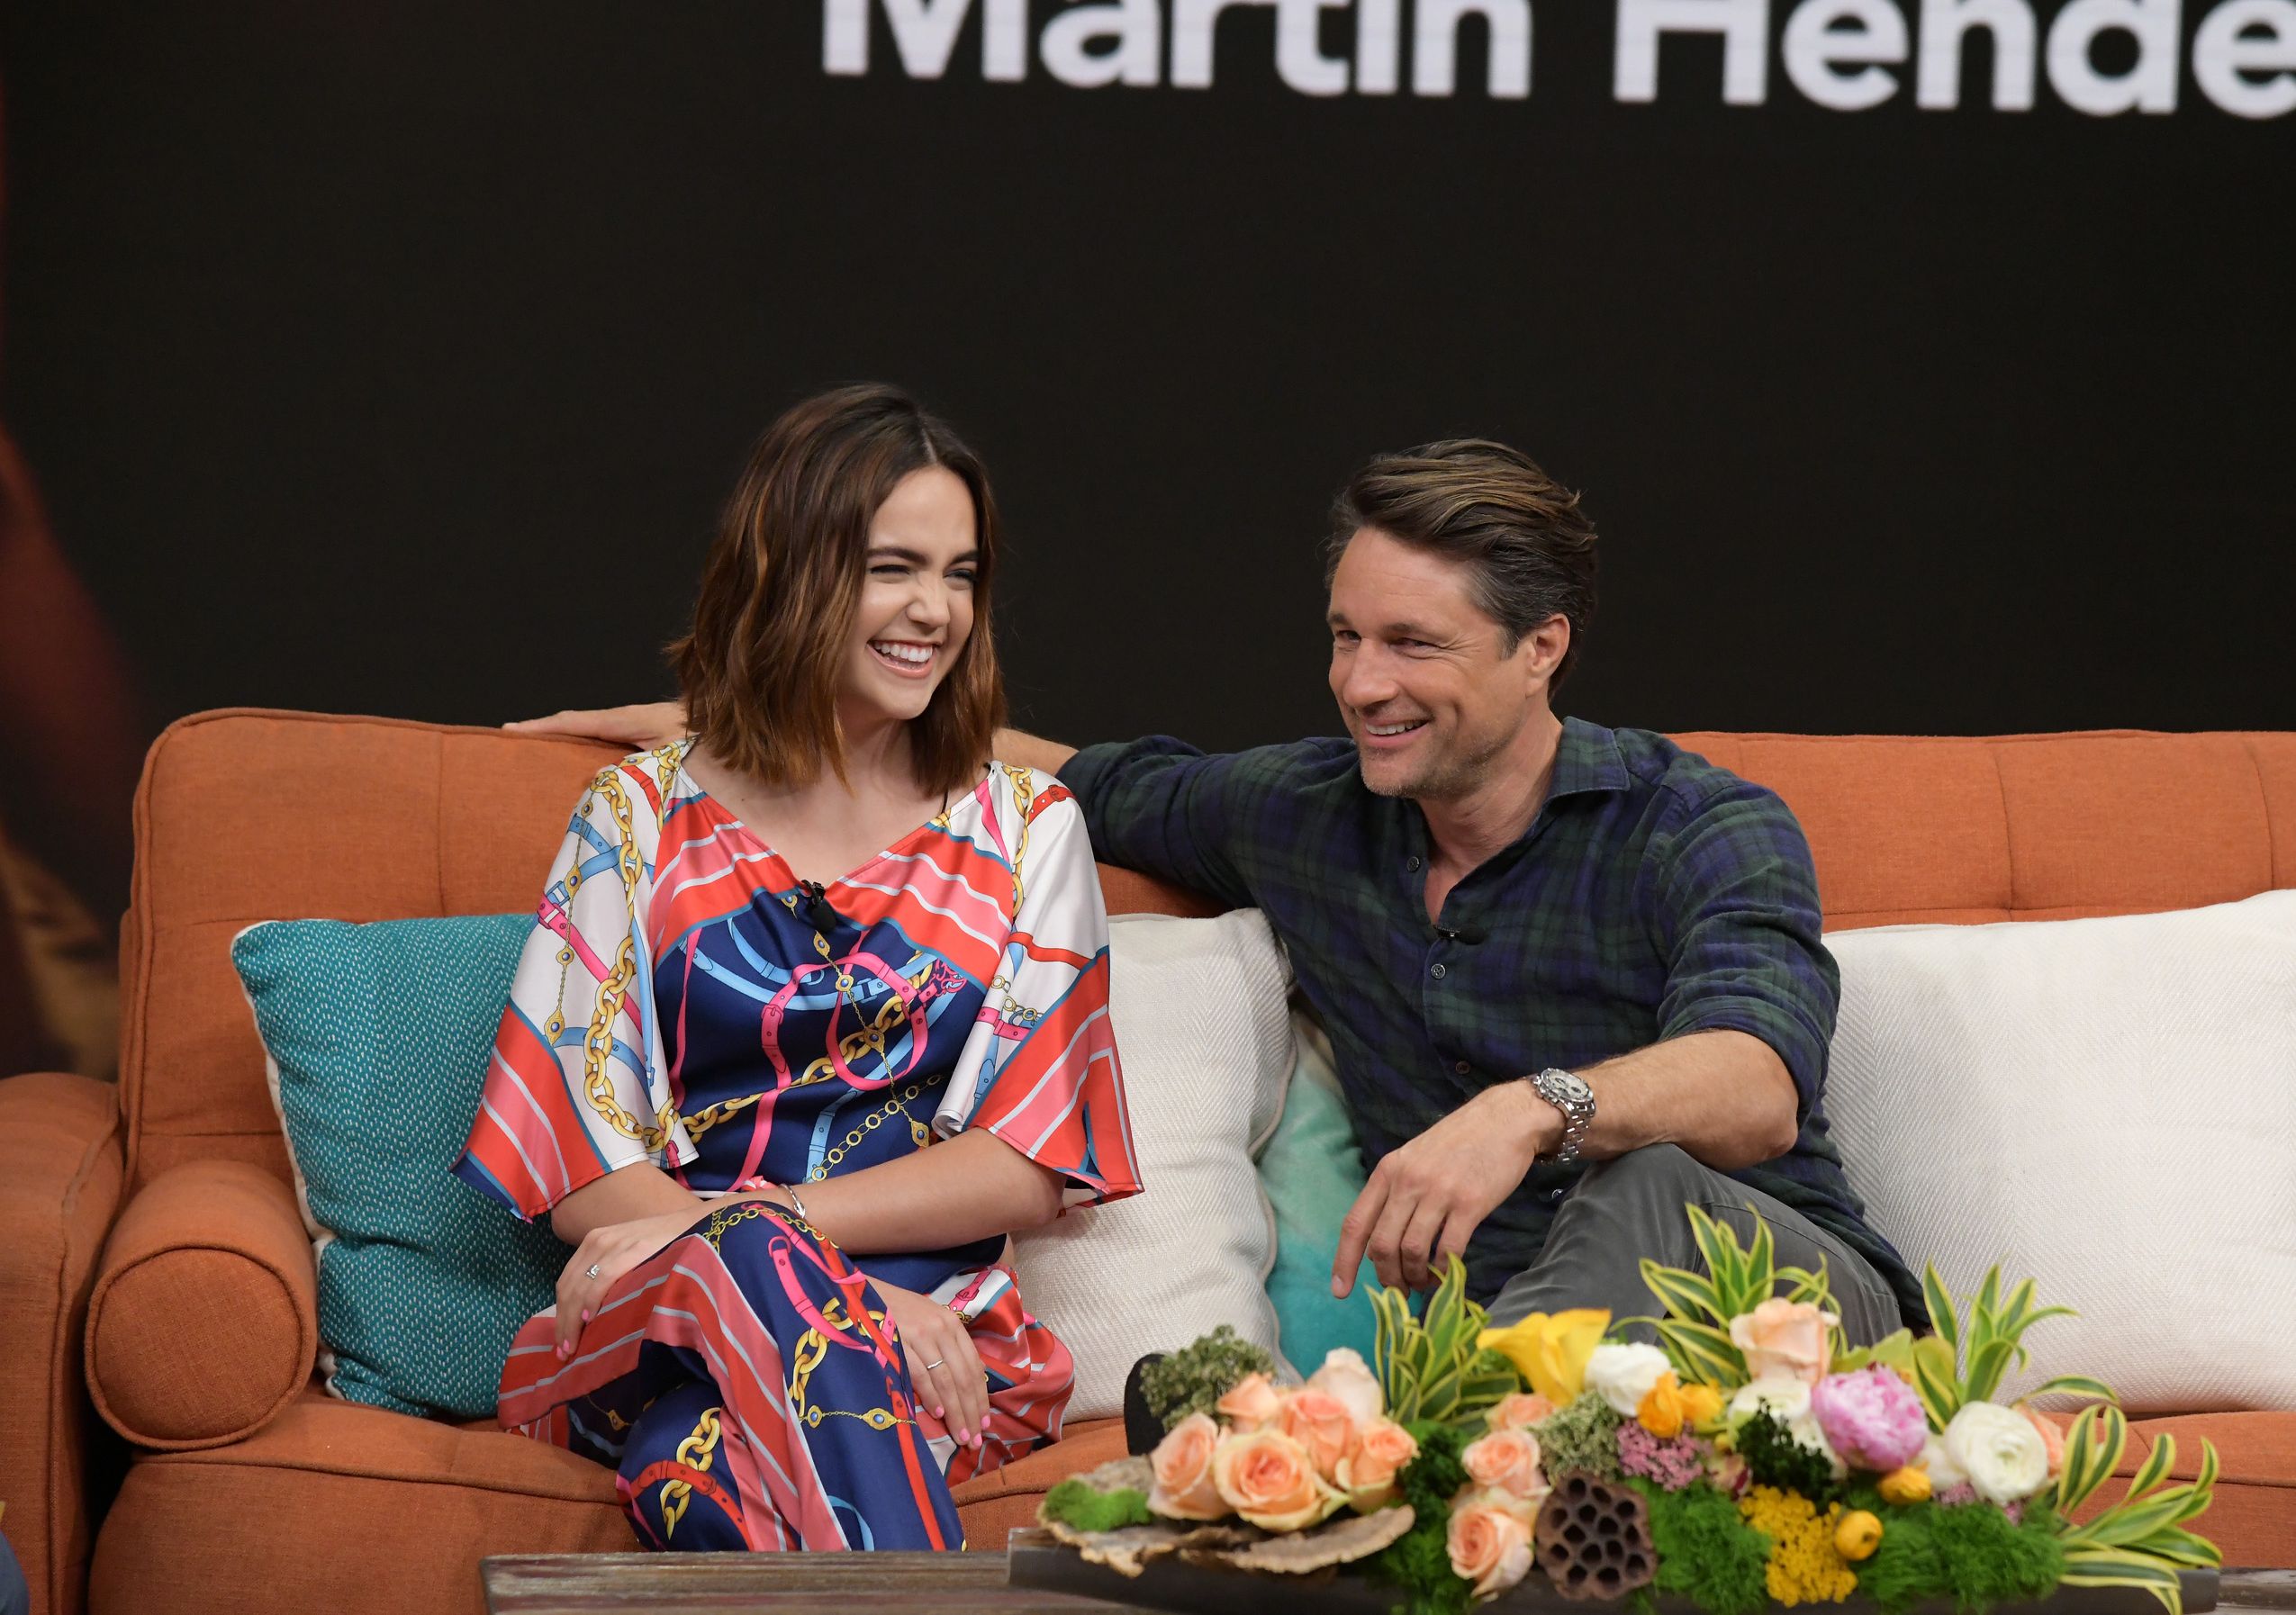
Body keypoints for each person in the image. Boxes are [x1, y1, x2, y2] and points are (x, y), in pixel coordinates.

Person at [513, 436, 1920, 1346]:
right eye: (1344, 636)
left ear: (1539, 646)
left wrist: (1521, 1112)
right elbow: (1051, 767)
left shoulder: (1696, 824)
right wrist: (751, 719)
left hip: (1777, 1309)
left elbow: (1755, 1081)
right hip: (1517, 1358)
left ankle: (1439, 1458)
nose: (1360, 683)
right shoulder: (1306, 811)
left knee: (1641, 1184)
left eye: (1411, 645)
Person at [461, 384, 1139, 1554]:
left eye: (961, 574)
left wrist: (773, 1233)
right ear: (788, 574)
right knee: (743, 1273)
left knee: (691, 1474)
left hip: (941, 1349)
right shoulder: (636, 815)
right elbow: (575, 1156)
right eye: (892, 568)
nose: (935, 610)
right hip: (655, 1323)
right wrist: (842, 1296)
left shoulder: (1028, 829)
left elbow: (1030, 1160)